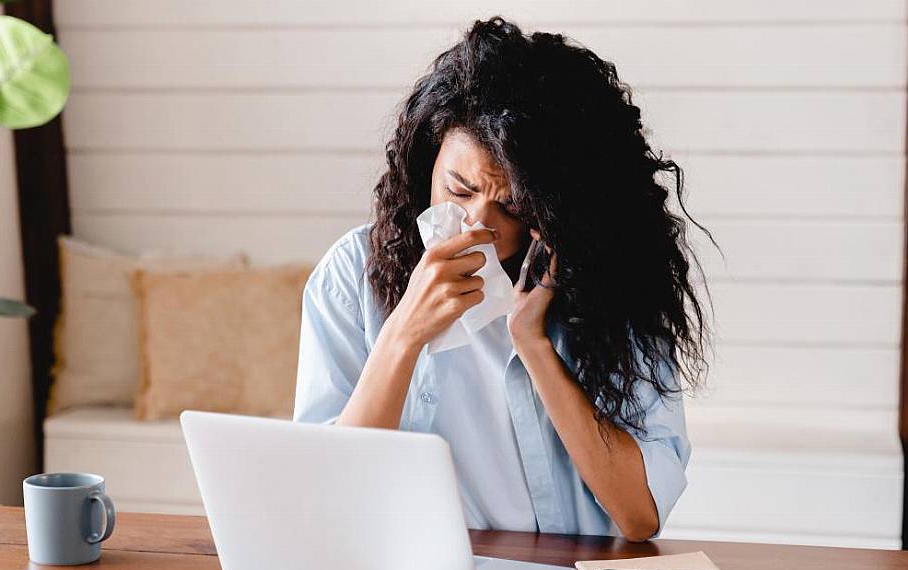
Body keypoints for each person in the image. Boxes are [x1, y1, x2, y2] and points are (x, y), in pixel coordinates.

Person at [293, 16, 710, 542]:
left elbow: (639, 515)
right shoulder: (352, 274)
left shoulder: (614, 283)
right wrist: (404, 333)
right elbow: (328, 494)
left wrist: (533, 344)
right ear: (427, 162)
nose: (478, 225)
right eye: (459, 189)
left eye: (512, 206)